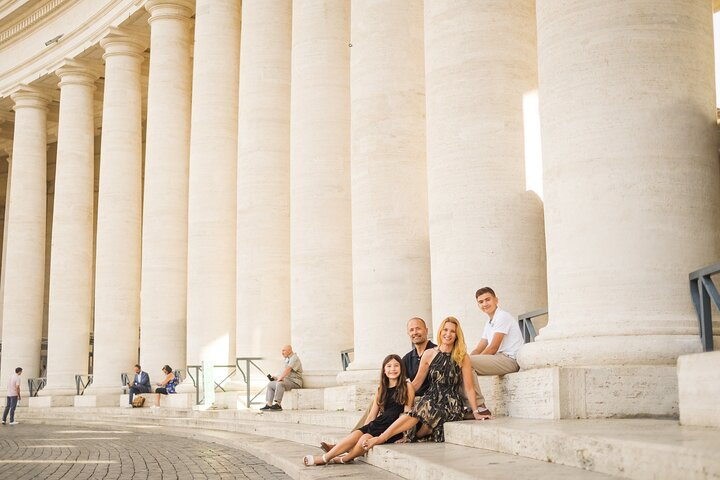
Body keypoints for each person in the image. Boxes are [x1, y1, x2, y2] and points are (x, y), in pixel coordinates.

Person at [362, 316, 488, 449]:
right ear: (440, 332)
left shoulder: (462, 357)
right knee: (420, 418)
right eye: (445, 330)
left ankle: (381, 438)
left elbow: (469, 388)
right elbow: (416, 383)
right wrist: (394, 394)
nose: (448, 334)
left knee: (422, 417)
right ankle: (378, 435)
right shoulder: (429, 354)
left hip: (450, 402)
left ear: (457, 335)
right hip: (431, 398)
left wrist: (476, 411)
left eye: (452, 331)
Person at [320, 317, 436, 453]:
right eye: (411, 330)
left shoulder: (434, 352)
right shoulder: (407, 358)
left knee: (381, 407)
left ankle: (345, 445)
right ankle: (349, 442)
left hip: (423, 401)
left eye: (418, 328)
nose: (415, 332)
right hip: (405, 398)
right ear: (408, 333)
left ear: (426, 330)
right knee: (377, 400)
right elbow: (398, 382)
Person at [303, 354, 414, 466]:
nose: (392, 369)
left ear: (401, 369)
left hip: (392, 427)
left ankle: (344, 458)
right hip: (379, 423)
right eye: (389, 366)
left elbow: (406, 413)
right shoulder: (381, 389)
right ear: (384, 370)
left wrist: (406, 435)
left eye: (396, 366)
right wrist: (364, 429)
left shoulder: (407, 386)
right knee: (358, 434)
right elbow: (372, 415)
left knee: (364, 439)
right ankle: (326, 458)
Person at [469, 287, 523, 417]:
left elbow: (493, 347)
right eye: (481, 302)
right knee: (462, 363)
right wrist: (465, 358)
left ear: (496, 300)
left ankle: (481, 407)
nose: (485, 304)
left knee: (466, 364)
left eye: (488, 300)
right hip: (499, 358)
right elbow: (479, 347)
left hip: (510, 360)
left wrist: (469, 361)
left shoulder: (502, 316)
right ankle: (472, 406)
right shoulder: (489, 322)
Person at [260, 345, 303, 411]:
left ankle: (278, 404)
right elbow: (282, 372)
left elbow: (288, 369)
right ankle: (269, 404)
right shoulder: (287, 359)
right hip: (287, 381)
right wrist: (276, 378)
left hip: (295, 382)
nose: (282, 352)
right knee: (270, 384)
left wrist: (280, 378)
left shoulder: (294, 358)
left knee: (280, 384)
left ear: (289, 350)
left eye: (284, 350)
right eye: (282, 350)